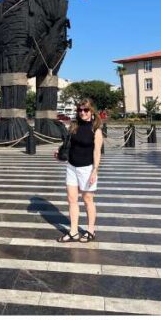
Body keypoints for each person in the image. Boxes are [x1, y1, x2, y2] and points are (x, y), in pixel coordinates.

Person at [55, 99, 102, 243]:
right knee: (72, 200)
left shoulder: (96, 130)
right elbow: (69, 144)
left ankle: (90, 230)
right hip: (71, 167)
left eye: (86, 110)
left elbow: (97, 152)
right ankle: (74, 231)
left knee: (88, 200)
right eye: (80, 110)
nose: (82, 112)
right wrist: (60, 152)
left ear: (91, 112)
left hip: (86, 169)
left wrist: (95, 170)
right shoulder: (73, 126)